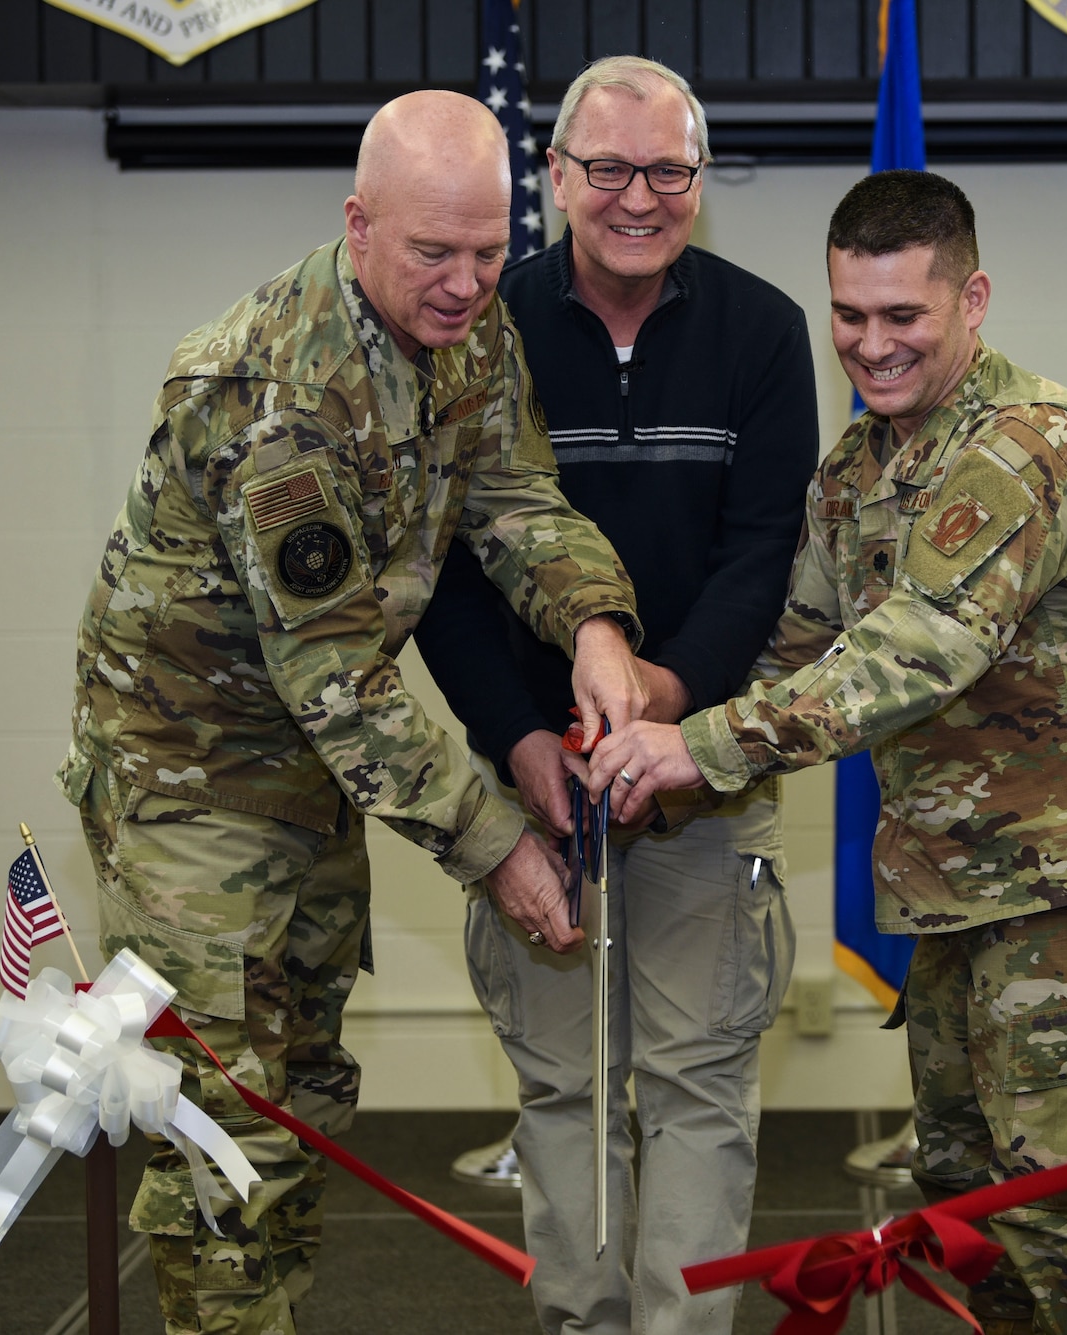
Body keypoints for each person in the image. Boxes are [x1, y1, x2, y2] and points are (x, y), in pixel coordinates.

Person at [58, 91, 647, 1335]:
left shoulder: (469, 332)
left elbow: (514, 498)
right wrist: (496, 852)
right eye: (434, 253)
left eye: (490, 253)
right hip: (191, 778)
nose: (466, 284)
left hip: (316, 767)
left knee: (305, 1094)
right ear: (358, 222)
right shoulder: (272, 391)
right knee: (220, 1123)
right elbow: (334, 676)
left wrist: (596, 624)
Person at [587, 170, 1067, 1335]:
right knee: (968, 1196)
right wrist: (639, 749)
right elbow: (798, 655)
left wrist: (696, 750)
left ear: (970, 300)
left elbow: (919, 651)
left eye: (902, 317)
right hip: (950, 890)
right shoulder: (857, 469)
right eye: (849, 316)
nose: (871, 347)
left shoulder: (1028, 447)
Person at [412, 54, 818, 1335]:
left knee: (697, 1091)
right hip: (533, 786)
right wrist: (524, 738)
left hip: (700, 781)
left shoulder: (763, 331)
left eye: (667, 171)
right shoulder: (483, 326)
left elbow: (764, 552)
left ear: (698, 180)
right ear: (554, 177)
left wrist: (668, 696)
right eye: (607, 168)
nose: (637, 197)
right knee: (563, 1089)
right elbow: (449, 575)